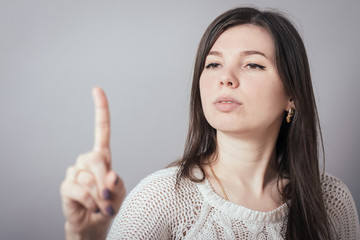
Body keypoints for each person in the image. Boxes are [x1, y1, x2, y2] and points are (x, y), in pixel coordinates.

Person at [60, 7, 360, 240]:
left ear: (292, 95)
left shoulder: (332, 203)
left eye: (253, 64)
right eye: (213, 63)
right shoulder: (162, 197)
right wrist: (86, 235)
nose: (225, 77)